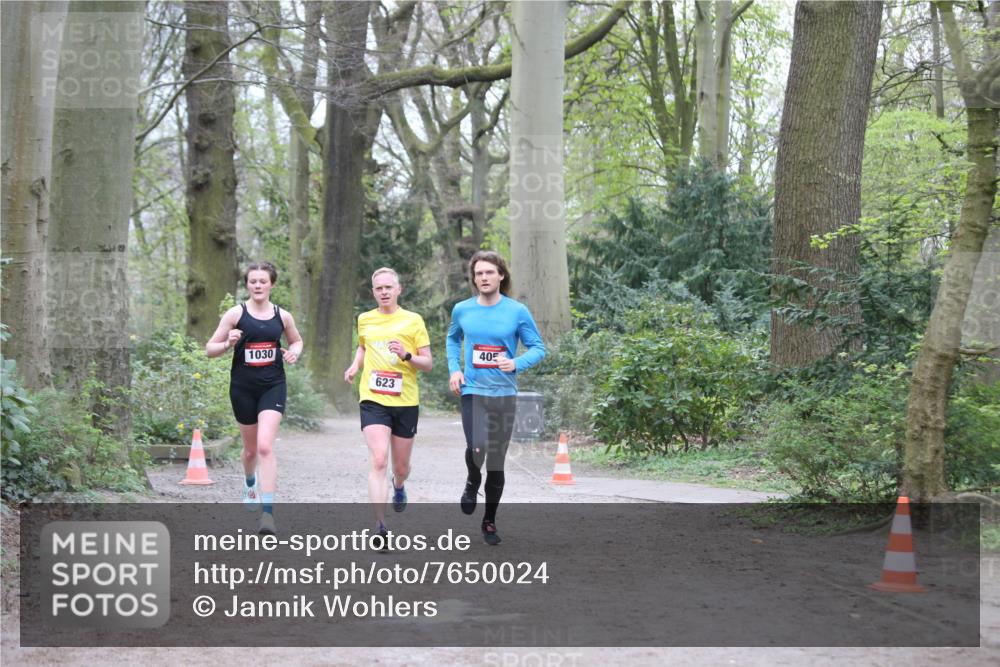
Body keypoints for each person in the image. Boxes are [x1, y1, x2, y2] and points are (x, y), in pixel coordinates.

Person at [446, 250, 545, 545]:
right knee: (477, 446)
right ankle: (472, 480)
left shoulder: (516, 311)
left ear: (501, 275)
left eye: (489, 272)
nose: (484, 278)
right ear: (474, 279)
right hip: (473, 391)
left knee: (497, 461)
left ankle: (489, 521)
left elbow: (538, 347)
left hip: (504, 393)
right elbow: (452, 339)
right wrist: (455, 370)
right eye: (479, 273)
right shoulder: (462, 309)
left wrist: (516, 363)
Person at [206, 261, 303, 536]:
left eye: (263, 281)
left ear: (272, 284)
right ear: (247, 285)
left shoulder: (282, 316)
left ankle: (268, 515)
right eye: (253, 281)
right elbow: (209, 349)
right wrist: (228, 343)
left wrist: (295, 352)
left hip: (273, 386)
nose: (258, 285)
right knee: (249, 451)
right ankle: (250, 482)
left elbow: (296, 340)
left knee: (264, 447)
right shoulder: (235, 314)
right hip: (242, 388)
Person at [344, 267, 432, 543]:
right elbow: (363, 346)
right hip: (373, 397)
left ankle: (400, 484)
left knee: (401, 466)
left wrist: (406, 355)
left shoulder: (413, 321)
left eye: (388, 288)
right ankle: (380, 525)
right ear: (373, 292)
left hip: (405, 400)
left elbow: (427, 363)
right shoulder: (365, 319)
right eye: (379, 288)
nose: (383, 292)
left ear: (398, 290)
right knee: (379, 458)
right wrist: (354, 365)